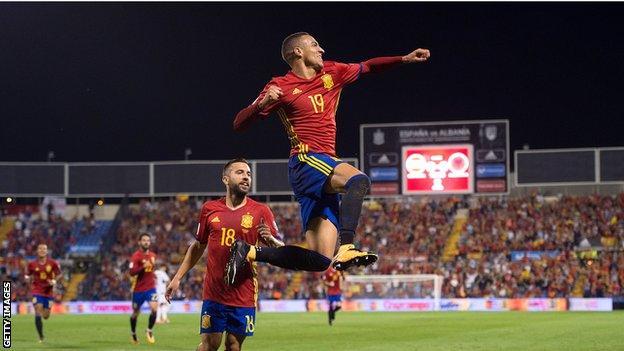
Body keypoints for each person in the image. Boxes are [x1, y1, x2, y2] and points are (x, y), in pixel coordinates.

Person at [229, 32, 431, 277]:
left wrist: (404, 59)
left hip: (321, 167)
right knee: (359, 180)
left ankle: (249, 252)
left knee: (320, 259)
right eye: (314, 44)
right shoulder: (279, 86)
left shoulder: (333, 72)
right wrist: (261, 105)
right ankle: (347, 246)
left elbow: (368, 67)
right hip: (306, 160)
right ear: (297, 52)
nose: (321, 49)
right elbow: (239, 124)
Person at [166, 158, 284, 351]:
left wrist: (272, 241)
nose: (246, 177)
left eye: (248, 173)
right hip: (214, 292)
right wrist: (177, 278)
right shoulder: (210, 209)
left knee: (233, 346)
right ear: (225, 179)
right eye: (240, 172)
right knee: (208, 346)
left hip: (244, 293)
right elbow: (197, 247)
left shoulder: (261, 211)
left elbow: (282, 250)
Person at [25, 243, 62, 343]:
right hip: (37, 291)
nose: (42, 250)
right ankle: (41, 336)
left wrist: (54, 281)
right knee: (38, 310)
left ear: (47, 251)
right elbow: (27, 275)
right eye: (40, 249)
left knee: (46, 316)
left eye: (44, 249)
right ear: (37, 251)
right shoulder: (31, 264)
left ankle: (42, 324)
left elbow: (59, 274)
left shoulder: (53, 263)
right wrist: (27, 278)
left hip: (48, 292)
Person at [128, 233, 158, 345]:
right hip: (138, 290)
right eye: (144, 240)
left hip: (151, 288)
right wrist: (142, 267)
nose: (146, 242)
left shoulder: (153, 255)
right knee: (135, 313)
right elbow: (131, 273)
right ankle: (133, 333)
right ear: (139, 242)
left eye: (148, 240)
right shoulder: (135, 256)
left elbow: (151, 270)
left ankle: (149, 330)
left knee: (155, 309)